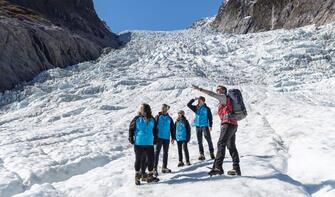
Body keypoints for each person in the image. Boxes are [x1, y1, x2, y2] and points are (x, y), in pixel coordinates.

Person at [192, 85, 241, 176]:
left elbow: (212, 94)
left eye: (219, 89)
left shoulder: (224, 97)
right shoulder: (225, 100)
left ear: (223, 90)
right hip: (233, 124)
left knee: (221, 143)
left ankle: (218, 167)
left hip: (228, 124)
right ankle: (236, 168)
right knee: (231, 146)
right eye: (216, 89)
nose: (217, 90)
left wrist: (200, 89)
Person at [129, 103, 160, 185]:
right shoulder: (137, 119)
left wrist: (155, 139)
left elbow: (155, 130)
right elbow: (131, 129)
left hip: (149, 143)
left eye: (143, 109)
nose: (142, 110)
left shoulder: (152, 119)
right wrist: (131, 138)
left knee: (151, 160)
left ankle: (150, 176)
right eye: (141, 109)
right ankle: (137, 177)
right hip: (139, 143)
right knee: (138, 160)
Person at [187, 96, 215, 161]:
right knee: (199, 141)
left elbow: (210, 117)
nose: (199, 101)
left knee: (208, 139)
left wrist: (210, 125)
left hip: (205, 125)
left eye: (201, 100)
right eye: (199, 100)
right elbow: (188, 105)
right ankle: (201, 154)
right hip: (197, 126)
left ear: (203, 101)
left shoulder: (207, 108)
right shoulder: (196, 108)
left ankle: (212, 153)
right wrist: (194, 99)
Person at [154, 104, 175, 175]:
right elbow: (153, 127)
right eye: (162, 107)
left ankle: (164, 167)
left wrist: (173, 137)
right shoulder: (157, 117)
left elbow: (172, 128)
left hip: (166, 138)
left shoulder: (169, 118)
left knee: (166, 153)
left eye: (165, 108)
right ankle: (154, 169)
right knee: (157, 153)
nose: (163, 109)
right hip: (159, 137)